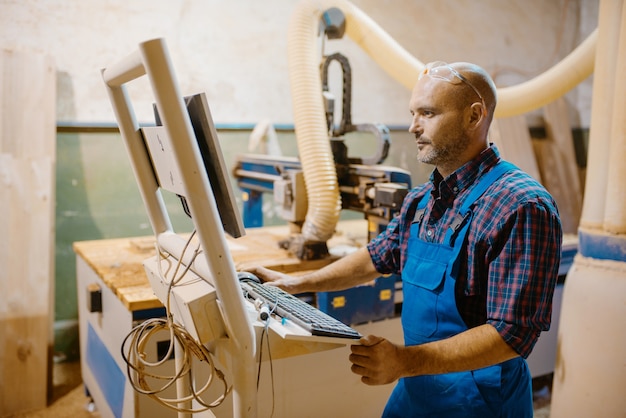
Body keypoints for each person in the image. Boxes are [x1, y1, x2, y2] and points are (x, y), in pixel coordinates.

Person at [248, 61, 562, 417]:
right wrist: (295, 283)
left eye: (427, 113)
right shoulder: (423, 199)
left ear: (474, 116)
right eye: (413, 113)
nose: (413, 127)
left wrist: (402, 361)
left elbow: (512, 335)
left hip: (480, 402)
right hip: (419, 389)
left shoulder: (520, 206)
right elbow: (376, 258)